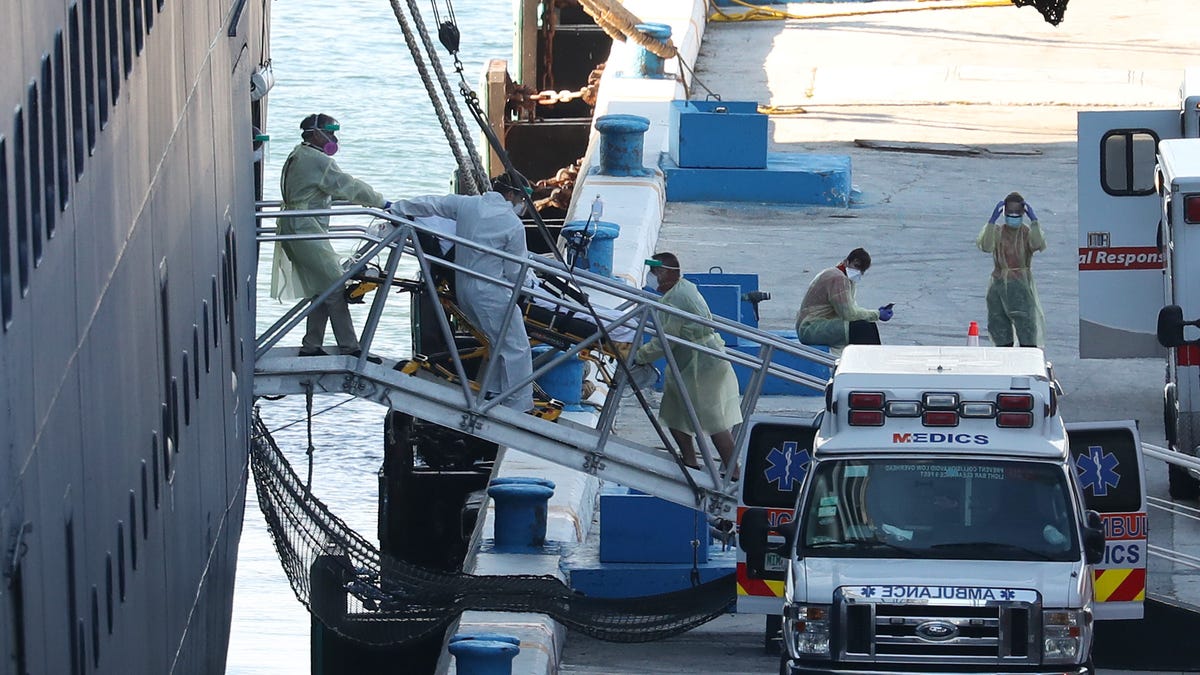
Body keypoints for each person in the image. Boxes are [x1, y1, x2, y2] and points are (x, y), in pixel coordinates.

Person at [388, 173, 534, 411]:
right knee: (516, 346)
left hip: (464, 289)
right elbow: (514, 271)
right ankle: (519, 406)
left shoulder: (468, 205)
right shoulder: (512, 224)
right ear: (510, 195)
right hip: (490, 292)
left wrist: (397, 208)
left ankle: (494, 391)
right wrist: (528, 287)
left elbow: (431, 203)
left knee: (497, 341)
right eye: (521, 199)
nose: (522, 205)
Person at [271, 113, 388, 362]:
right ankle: (351, 348)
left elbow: (321, 193)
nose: (334, 138)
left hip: (296, 227)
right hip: (305, 230)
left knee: (321, 287)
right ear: (315, 134)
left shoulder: (299, 154)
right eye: (330, 132)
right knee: (335, 285)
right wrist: (380, 202)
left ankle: (311, 345)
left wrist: (362, 202)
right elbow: (346, 184)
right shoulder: (317, 160)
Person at [633, 253, 743, 477]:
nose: (651, 278)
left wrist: (640, 356)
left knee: (714, 421)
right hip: (690, 363)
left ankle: (734, 473)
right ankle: (690, 462)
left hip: (702, 365)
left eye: (653, 273)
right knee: (674, 412)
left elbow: (667, 339)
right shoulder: (680, 290)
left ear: (664, 273)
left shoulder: (677, 298)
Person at [977, 191, 1046, 347]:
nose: (1013, 216)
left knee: (1026, 327)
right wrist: (991, 221)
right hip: (999, 285)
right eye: (1010, 212)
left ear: (1023, 213)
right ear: (1004, 212)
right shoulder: (997, 232)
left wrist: (1034, 221)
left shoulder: (1026, 232)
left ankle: (1028, 355)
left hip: (1020, 287)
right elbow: (986, 246)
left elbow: (1038, 244)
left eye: (1017, 212)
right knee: (999, 325)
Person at [795, 248, 891, 349]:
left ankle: (870, 359)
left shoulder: (842, 276)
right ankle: (871, 361)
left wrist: (874, 315)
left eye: (861, 270)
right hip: (810, 328)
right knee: (863, 329)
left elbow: (853, 308)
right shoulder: (838, 278)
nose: (858, 272)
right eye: (856, 266)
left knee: (868, 325)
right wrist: (877, 314)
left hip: (815, 325)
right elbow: (849, 314)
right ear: (847, 261)